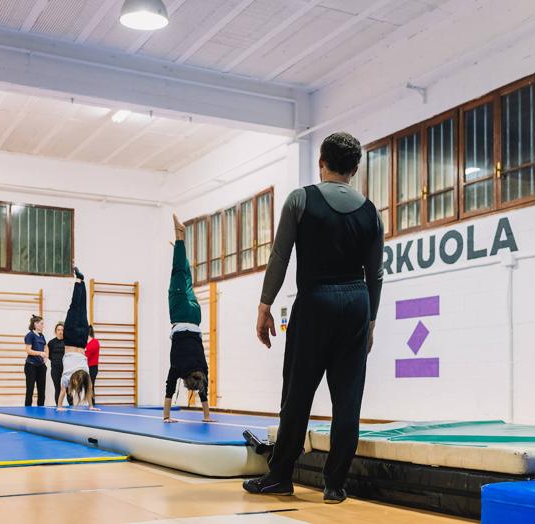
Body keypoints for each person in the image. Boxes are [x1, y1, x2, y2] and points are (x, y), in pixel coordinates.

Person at [243, 132, 384, 504]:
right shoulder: (370, 212)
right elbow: (376, 274)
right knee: (347, 400)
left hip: (316, 301)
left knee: (298, 394)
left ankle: (280, 476)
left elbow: (280, 256)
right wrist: (370, 322)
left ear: (321, 162)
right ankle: (335, 484)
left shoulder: (301, 199)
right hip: (357, 302)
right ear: (355, 169)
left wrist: (264, 305)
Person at [163, 215, 213, 423]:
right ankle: (180, 237)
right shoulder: (179, 367)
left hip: (196, 317)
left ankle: (179, 249)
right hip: (181, 315)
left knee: (186, 279)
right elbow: (169, 387)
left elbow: (204, 393)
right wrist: (166, 416)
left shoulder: (203, 369)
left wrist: (207, 416)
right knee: (178, 274)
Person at [57, 267, 99, 411]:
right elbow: (63, 392)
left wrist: (92, 406)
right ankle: (78, 281)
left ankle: (82, 281)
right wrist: (59, 406)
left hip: (81, 340)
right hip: (71, 339)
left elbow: (89, 391)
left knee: (83, 308)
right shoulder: (67, 378)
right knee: (75, 306)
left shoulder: (85, 373)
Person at [24, 315, 48, 406]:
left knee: (41, 390)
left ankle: (41, 410)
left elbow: (46, 347)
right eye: (41, 324)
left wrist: (46, 356)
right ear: (36, 324)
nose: (43, 326)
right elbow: (28, 350)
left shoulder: (41, 336)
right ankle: (27, 410)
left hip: (41, 366)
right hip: (31, 366)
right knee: (30, 389)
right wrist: (40, 353)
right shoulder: (30, 335)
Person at [48, 322, 66, 405]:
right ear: (56, 331)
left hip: (66, 369)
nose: (60, 331)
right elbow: (49, 356)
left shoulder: (67, 342)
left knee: (68, 389)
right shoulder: (51, 343)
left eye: (62, 330)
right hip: (55, 369)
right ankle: (58, 406)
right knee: (57, 389)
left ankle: (71, 407)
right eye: (58, 330)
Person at [85, 326, 100, 404]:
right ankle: (89, 403)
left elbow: (88, 355)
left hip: (92, 367)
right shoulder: (84, 341)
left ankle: (92, 403)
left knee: (91, 386)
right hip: (84, 367)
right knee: (86, 386)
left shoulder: (95, 342)